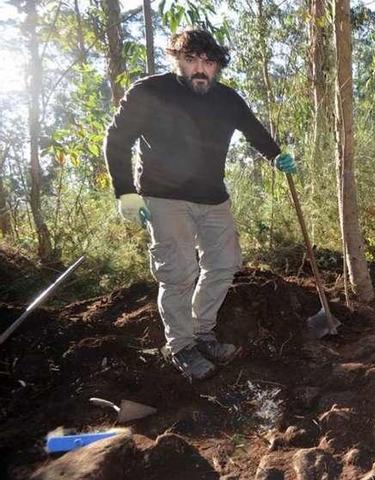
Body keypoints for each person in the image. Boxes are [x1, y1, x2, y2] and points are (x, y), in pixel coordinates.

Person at [103, 28, 296, 381]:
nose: (200, 69)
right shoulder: (149, 92)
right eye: (191, 60)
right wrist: (125, 191)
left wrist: (277, 155)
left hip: (213, 197)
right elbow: (117, 141)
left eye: (208, 62)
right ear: (177, 60)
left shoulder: (227, 99)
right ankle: (181, 347)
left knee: (224, 263)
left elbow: (254, 130)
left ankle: (201, 330)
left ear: (217, 66)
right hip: (164, 197)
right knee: (178, 273)